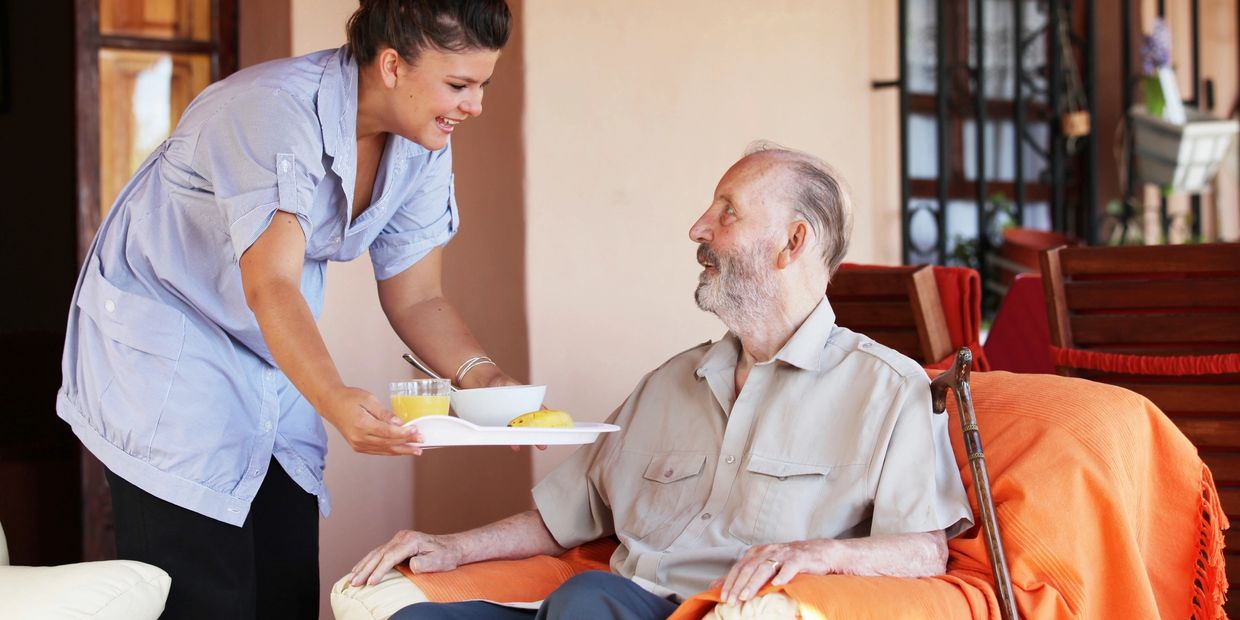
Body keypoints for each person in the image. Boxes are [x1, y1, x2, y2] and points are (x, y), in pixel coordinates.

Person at [348, 144, 974, 619]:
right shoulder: (669, 382)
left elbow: (923, 550)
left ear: (793, 243)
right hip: (611, 608)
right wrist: (453, 548)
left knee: (587, 600)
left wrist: (821, 555)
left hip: (708, 610)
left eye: (726, 212)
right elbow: (567, 514)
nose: (699, 228)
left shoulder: (886, 389)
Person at [56, 1, 517, 617]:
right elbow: (270, 283)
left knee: (285, 583)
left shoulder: (423, 141)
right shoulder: (271, 111)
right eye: (459, 85)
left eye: (483, 85)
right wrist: (333, 400)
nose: (474, 106)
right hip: (169, 358)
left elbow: (418, 295)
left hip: (269, 351)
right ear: (390, 65)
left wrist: (485, 382)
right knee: (203, 597)